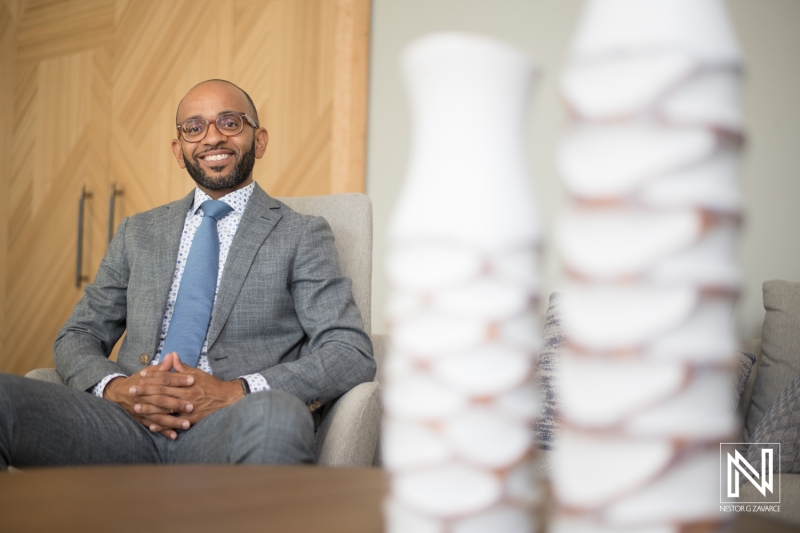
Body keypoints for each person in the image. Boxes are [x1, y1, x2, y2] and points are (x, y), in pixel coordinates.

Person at [0, 79, 375, 468]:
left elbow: (348, 351)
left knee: (277, 415)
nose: (212, 137)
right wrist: (119, 389)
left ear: (259, 140)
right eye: (194, 128)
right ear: (179, 151)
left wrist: (236, 392)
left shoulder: (301, 234)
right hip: (125, 422)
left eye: (229, 122)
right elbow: (79, 334)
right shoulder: (138, 231)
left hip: (229, 422)